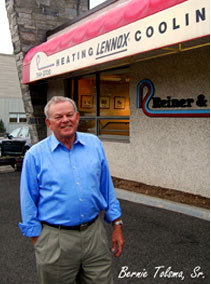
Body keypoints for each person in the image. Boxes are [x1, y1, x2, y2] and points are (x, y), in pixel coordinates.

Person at [19, 96, 124, 284]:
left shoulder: (94, 144)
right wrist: (39, 241)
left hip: (95, 235)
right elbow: (28, 200)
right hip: (56, 239)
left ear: (77, 117)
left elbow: (106, 187)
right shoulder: (35, 155)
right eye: (58, 117)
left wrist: (116, 224)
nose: (65, 120)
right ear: (48, 123)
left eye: (69, 115)